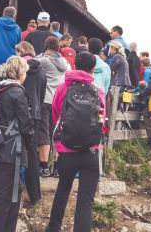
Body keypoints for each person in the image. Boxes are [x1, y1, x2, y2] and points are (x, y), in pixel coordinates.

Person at [47, 52, 106, 232]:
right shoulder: (98, 91)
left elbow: (56, 114)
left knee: (63, 188)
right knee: (85, 200)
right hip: (91, 152)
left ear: (74, 65)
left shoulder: (62, 87)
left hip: (66, 150)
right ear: (93, 69)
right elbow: (103, 122)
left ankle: (54, 228)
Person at [0, 56, 34, 232]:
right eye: (25, 71)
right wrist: (30, 143)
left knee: (11, 193)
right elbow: (26, 125)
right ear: (19, 72)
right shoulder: (17, 92)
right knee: (4, 196)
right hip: (11, 151)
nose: (26, 74)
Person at [15, 41, 47, 205]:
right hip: (34, 115)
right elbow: (41, 97)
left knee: (11, 150)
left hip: (17, 111)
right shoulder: (42, 71)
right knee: (31, 155)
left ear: (21, 51)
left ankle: (10, 192)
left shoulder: (19, 66)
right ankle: (35, 196)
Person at [36, 36, 70, 177]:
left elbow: (30, 63)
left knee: (44, 132)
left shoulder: (44, 60)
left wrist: (42, 55)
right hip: (60, 102)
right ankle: (56, 167)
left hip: (46, 100)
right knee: (56, 134)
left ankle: (43, 166)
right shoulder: (66, 63)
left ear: (47, 48)